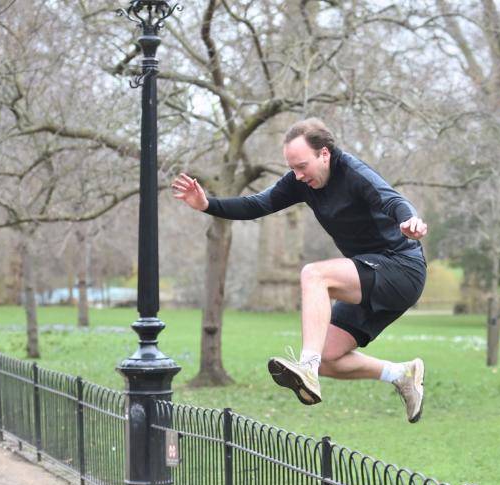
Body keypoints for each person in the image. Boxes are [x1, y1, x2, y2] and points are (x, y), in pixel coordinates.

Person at [171, 118, 429, 423]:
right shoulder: (301, 183)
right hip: (370, 275)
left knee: (314, 274)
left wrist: (410, 220)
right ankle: (401, 374)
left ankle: (306, 364)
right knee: (329, 358)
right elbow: (258, 204)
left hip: (401, 268)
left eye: (302, 166)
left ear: (325, 154)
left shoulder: (355, 174)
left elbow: (394, 201)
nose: (298, 175)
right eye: (292, 167)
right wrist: (207, 205)